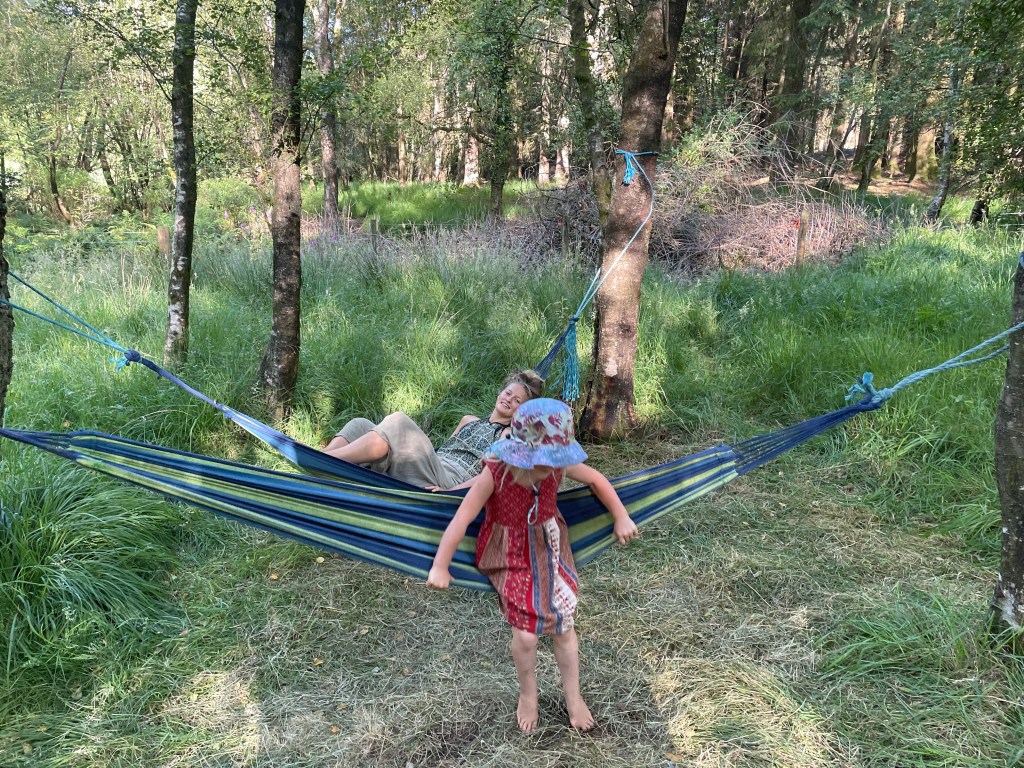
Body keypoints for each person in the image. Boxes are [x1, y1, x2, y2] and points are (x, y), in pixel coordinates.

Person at [425, 398, 638, 732]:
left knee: (563, 627)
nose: (551, 470)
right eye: (543, 463)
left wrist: (621, 515)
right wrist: (440, 565)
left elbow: (596, 479)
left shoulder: (556, 464)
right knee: (525, 637)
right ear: (520, 454)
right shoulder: (495, 471)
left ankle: (573, 698)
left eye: (556, 462)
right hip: (508, 554)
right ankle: (528, 695)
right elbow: (461, 518)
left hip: (549, 548)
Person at [322, 370, 544, 490]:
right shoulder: (468, 420)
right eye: (508, 393)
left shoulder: (509, 437)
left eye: (517, 401)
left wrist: (452, 493)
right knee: (360, 424)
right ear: (500, 393)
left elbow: (492, 477)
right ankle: (321, 459)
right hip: (433, 464)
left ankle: (326, 460)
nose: (509, 400)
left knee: (399, 422)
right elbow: (441, 451)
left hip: (450, 480)